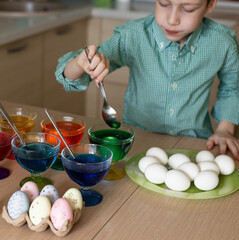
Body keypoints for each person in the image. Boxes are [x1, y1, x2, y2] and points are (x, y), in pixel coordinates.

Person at [55, 0, 239, 159]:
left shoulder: (223, 42)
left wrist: (225, 130)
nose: (172, 19)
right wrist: (81, 64)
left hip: (193, 145)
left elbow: (232, 89)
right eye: (164, 4)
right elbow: (70, 75)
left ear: (211, 4)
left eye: (188, 9)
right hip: (138, 144)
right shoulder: (132, 35)